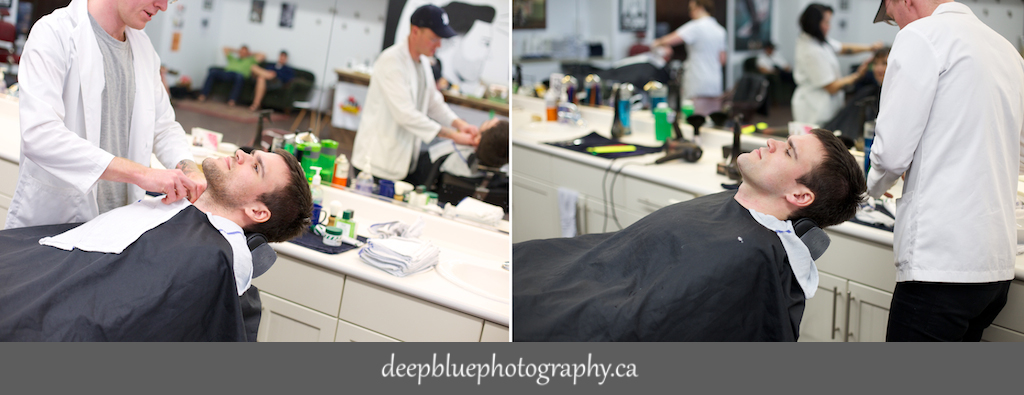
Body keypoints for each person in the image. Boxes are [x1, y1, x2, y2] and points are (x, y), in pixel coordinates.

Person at [513, 129, 866, 341]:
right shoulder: (733, 209)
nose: (772, 143)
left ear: (801, 197)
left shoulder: (746, 258)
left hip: (585, 311)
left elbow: (645, 325)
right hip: (576, 273)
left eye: (789, 151)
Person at [0, 149, 313, 341]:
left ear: (258, 212)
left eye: (255, 167)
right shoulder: (175, 209)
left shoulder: (212, 259)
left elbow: (104, 322)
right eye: (250, 152)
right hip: (29, 268)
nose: (241, 155)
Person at [866, 0, 1024, 342]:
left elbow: (890, 155)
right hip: (995, 269)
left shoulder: (922, 36)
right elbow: (1015, 149)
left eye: (894, 20)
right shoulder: (1007, 49)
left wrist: (868, 190)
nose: (900, 29)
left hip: (942, 266)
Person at [7, 0, 207, 230]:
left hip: (116, 225)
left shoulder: (143, 48)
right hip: (57, 221)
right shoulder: (54, 33)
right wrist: (142, 174)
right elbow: (40, 136)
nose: (163, 6)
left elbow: (163, 127)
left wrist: (189, 169)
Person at [351, 4, 479, 186]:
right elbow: (406, 114)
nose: (439, 45)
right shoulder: (391, 61)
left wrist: (459, 124)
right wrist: (454, 135)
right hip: (375, 164)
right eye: (434, 38)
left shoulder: (423, 62)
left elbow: (433, 101)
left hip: (401, 161)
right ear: (415, 31)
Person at [792, 3, 882, 126]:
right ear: (814, 23)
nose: (829, 26)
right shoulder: (811, 51)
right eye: (826, 23)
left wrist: (869, 48)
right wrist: (858, 75)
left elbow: (843, 48)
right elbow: (831, 87)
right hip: (814, 109)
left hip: (827, 104)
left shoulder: (819, 40)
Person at [651, 0, 726, 115]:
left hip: (697, 79)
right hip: (715, 82)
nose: (690, 13)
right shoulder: (720, 30)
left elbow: (670, 39)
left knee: (693, 118)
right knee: (711, 120)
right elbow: (722, 59)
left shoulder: (695, 27)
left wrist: (656, 43)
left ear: (700, 7)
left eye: (691, 9)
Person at [823, 46, 889, 146]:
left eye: (884, 63)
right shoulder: (867, 92)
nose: (878, 69)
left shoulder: (896, 98)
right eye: (875, 64)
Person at [197, 45, 265, 107]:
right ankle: (203, 95)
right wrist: (238, 51)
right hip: (228, 74)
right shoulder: (233, 59)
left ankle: (232, 100)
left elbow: (262, 55)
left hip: (239, 76)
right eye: (241, 51)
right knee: (213, 72)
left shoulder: (250, 60)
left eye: (244, 52)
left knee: (239, 77)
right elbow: (225, 48)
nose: (242, 53)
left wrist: (249, 53)